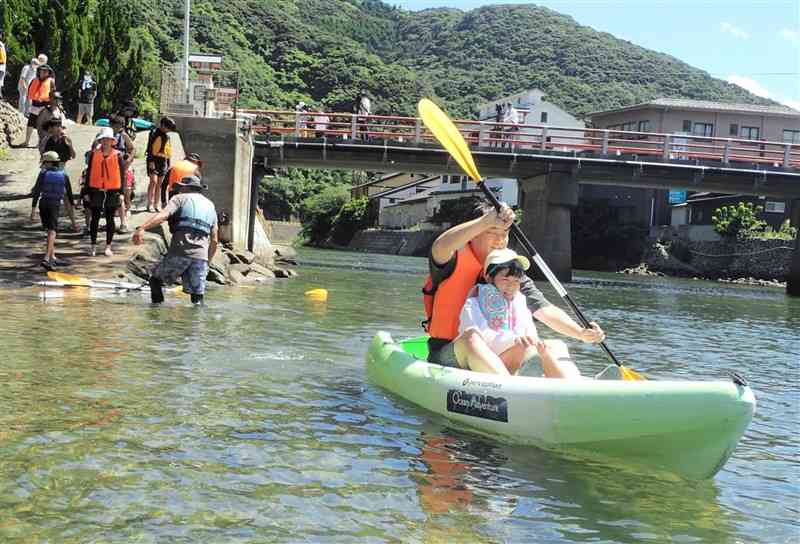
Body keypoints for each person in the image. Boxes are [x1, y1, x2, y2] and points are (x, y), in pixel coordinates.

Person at [424, 201, 606, 376]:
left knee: (555, 345)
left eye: (505, 233)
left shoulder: (512, 274)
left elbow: (544, 309)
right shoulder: (452, 260)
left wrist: (581, 333)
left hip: (498, 355)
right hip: (452, 354)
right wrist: (486, 220)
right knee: (472, 338)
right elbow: (439, 247)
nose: (500, 240)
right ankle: (509, 389)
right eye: (492, 231)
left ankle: (574, 388)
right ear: (474, 233)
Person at [458, 248, 574, 378]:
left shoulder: (520, 301)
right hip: (483, 357)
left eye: (516, 281)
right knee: (471, 336)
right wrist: (513, 341)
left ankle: (570, 384)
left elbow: (530, 332)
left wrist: (538, 345)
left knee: (557, 345)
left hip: (514, 354)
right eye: (505, 280)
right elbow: (478, 337)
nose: (511, 286)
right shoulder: (474, 302)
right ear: (489, 277)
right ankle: (507, 385)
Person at [132, 176, 219, 306]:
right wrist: (207, 262)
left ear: (185, 188)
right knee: (197, 299)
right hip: (201, 257)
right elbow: (215, 240)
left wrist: (142, 227)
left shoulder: (179, 199)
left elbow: (163, 216)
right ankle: (198, 324)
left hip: (181, 251)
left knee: (155, 281)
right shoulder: (210, 205)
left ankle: (156, 313)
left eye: (180, 187)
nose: (179, 190)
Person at [30, 151, 79, 270]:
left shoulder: (43, 174)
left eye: (44, 163)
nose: (43, 165)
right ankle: (47, 258)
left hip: (43, 203)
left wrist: (33, 210)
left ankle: (53, 257)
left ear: (48, 163)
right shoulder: (64, 175)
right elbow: (70, 196)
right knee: (52, 232)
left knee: (48, 230)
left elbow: (36, 192)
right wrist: (73, 213)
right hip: (54, 205)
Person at [84, 127, 125, 257]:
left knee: (110, 218)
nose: (106, 142)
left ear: (112, 141)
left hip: (113, 191)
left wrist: (122, 193)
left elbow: (122, 175)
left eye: (108, 140)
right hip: (96, 190)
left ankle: (108, 246)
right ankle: (93, 245)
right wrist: (86, 192)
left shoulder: (118, 155)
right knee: (94, 218)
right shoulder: (93, 154)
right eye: (104, 140)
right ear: (100, 141)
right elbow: (89, 172)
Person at [145, 116, 176, 212]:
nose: (168, 130)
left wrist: (168, 164)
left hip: (163, 163)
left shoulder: (167, 137)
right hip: (153, 160)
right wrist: (151, 162)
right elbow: (150, 148)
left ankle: (156, 204)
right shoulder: (154, 133)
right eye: (168, 128)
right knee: (153, 182)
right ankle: (149, 203)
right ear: (162, 125)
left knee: (160, 184)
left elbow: (168, 152)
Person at [110, 115, 134, 231]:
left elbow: (132, 149)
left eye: (119, 125)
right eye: (115, 125)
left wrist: (129, 160)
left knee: (125, 190)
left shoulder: (124, 136)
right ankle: (114, 215)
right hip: (111, 168)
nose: (117, 127)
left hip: (123, 167)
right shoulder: (107, 135)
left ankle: (127, 209)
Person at [21, 64, 55, 147]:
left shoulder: (51, 81)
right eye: (41, 71)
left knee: (43, 125)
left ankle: (41, 142)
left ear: (48, 73)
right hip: (35, 105)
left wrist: (53, 107)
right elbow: (30, 92)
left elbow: (53, 95)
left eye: (45, 71)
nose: (43, 73)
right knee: (30, 123)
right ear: (38, 72)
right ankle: (26, 141)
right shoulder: (34, 80)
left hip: (45, 106)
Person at [0, 33, 7, 100]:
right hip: (2, 65)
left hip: (2, 65)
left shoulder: (2, 44)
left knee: (1, 80)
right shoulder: (2, 44)